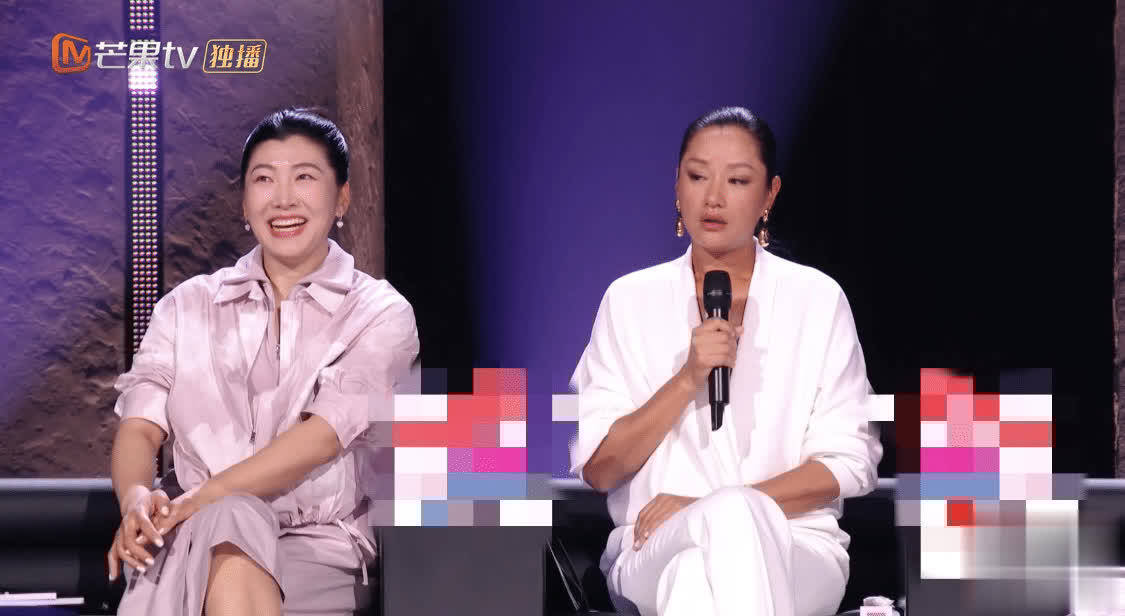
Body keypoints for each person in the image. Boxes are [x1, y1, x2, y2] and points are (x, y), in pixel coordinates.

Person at [569, 106, 882, 616]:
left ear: (769, 195)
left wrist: (718, 507)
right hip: (653, 544)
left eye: (737, 180)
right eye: (697, 177)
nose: (713, 197)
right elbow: (601, 469)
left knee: (696, 578)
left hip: (797, 546)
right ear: (677, 184)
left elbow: (849, 463)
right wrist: (686, 379)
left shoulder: (817, 300)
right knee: (702, 551)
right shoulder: (628, 301)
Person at [106, 108, 419, 616]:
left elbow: (324, 435)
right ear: (245, 204)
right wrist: (136, 498)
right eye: (264, 180)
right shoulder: (186, 307)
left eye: (304, 177)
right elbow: (140, 426)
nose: (283, 199)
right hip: (188, 535)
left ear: (342, 197)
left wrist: (203, 498)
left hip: (313, 547)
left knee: (232, 517)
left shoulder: (380, 313)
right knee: (222, 523)